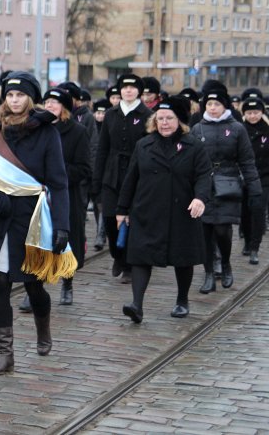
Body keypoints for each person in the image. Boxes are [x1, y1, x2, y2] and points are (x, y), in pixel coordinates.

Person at [0, 72, 72, 376]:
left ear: (30, 99)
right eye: (10, 95)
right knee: (0, 284)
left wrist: (62, 226)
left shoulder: (47, 133)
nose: (14, 100)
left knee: (33, 285)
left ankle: (43, 329)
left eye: (20, 95)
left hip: (32, 218)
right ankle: (6, 354)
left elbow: (59, 182)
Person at [116, 97, 211, 322]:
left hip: (182, 211)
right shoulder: (144, 145)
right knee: (140, 256)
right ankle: (136, 305)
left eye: (170, 118)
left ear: (180, 121)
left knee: (183, 258)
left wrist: (200, 198)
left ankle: (182, 300)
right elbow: (131, 179)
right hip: (147, 209)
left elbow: (204, 175)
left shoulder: (194, 145)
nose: (165, 123)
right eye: (160, 118)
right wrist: (122, 209)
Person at [190, 82, 261, 293]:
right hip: (203, 185)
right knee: (204, 231)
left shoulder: (237, 128)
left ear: (225, 106)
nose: (212, 108)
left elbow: (247, 160)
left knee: (222, 230)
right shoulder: (197, 128)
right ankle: (209, 272)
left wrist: (254, 188)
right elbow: (189, 161)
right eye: (209, 104)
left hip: (228, 183)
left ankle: (226, 263)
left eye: (217, 104)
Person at [92, 74, 152, 283]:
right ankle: (117, 255)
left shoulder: (147, 114)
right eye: (124, 88)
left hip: (137, 173)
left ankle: (128, 264)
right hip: (112, 172)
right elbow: (103, 148)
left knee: (132, 220)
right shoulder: (111, 114)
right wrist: (97, 179)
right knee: (109, 219)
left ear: (139, 91)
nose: (128, 91)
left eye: (132, 88)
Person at [43, 88, 92, 305]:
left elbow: (83, 168)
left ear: (64, 107)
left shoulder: (77, 131)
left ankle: (67, 283)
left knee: (68, 240)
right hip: (40, 195)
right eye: (47, 102)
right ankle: (34, 286)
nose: (50, 106)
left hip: (67, 194)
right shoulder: (37, 128)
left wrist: (58, 175)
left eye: (54, 102)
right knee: (39, 240)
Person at [240, 97, 269, 265]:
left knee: (258, 210)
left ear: (262, 112)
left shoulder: (267, 129)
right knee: (245, 211)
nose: (253, 116)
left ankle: (254, 247)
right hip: (244, 177)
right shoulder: (239, 129)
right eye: (249, 113)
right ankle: (246, 240)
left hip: (264, 177)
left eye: (256, 112)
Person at [91, 99, 112, 251]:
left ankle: (101, 234)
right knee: (98, 204)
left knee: (104, 204)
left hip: (107, 171)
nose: (100, 116)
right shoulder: (92, 128)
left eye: (103, 113)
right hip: (93, 171)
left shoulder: (110, 126)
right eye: (97, 113)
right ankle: (101, 233)